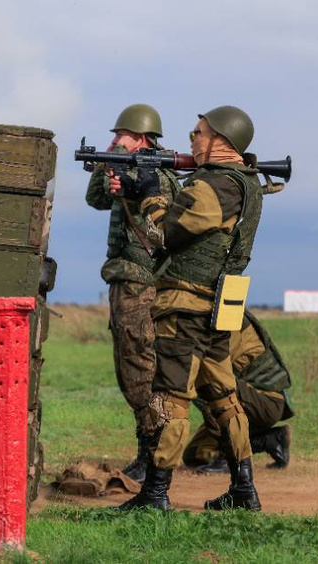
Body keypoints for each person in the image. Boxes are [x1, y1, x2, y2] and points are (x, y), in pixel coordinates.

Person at [117, 105, 267, 511]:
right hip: (222, 304)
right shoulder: (247, 183)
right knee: (223, 395)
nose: (191, 138)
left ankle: (155, 494)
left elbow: (164, 235)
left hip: (187, 304)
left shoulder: (215, 184)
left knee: (171, 397)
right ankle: (244, 490)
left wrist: (148, 194)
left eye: (199, 132)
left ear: (222, 140)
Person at [84, 104, 180, 483]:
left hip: (141, 283)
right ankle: (150, 448)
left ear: (140, 137)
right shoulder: (123, 166)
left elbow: (163, 214)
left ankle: (154, 451)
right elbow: (96, 199)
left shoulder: (160, 175)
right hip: (127, 281)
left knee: (139, 369)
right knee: (130, 369)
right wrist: (113, 164)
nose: (112, 142)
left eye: (119, 137)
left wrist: (127, 171)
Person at [184, 309, 294, 472]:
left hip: (265, 400)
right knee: (194, 455)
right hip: (253, 399)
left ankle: (229, 456)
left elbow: (211, 369)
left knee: (205, 378)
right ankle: (270, 440)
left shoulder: (225, 317)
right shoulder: (212, 313)